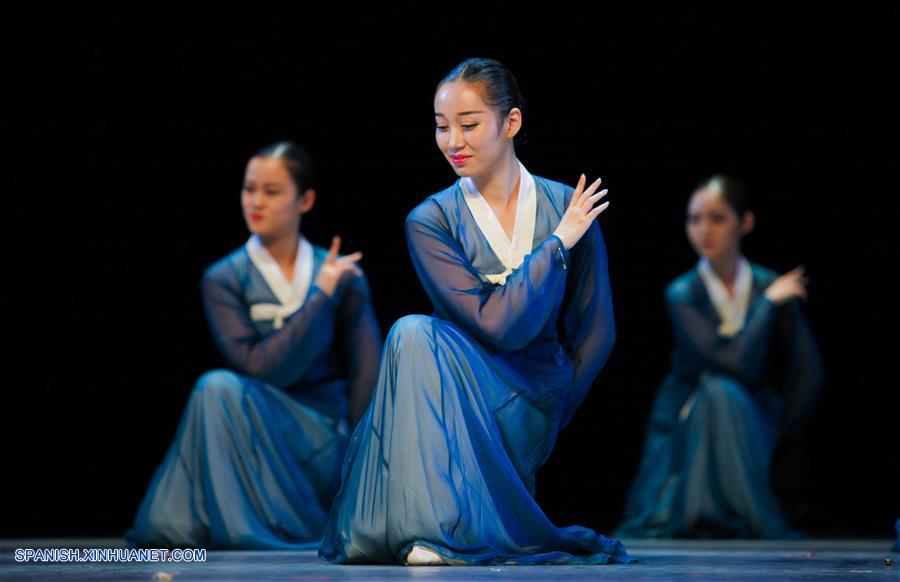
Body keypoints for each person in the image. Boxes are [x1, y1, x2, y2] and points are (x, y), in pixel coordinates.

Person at [319, 58, 633, 566]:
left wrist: (558, 407)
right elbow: (496, 325)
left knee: (418, 334)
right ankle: (430, 532)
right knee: (413, 332)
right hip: (459, 394)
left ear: (511, 123)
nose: (453, 142)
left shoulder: (566, 205)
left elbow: (597, 330)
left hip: (535, 400)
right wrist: (555, 244)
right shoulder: (431, 218)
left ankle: (446, 527)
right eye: (443, 127)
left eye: (469, 125)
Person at [127, 141, 382, 549]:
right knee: (217, 389)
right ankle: (245, 528)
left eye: (272, 191)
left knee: (220, 392)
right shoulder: (225, 278)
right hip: (254, 427)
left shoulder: (342, 274)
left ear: (306, 200)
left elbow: (365, 370)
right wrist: (319, 298)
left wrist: (361, 461)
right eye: (249, 189)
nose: (256, 202)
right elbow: (262, 368)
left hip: (321, 433)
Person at [617, 175, 824, 539]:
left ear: (745, 222)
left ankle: (745, 505)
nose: (703, 230)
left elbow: (809, 370)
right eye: (694, 219)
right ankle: (713, 510)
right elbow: (732, 362)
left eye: (717, 218)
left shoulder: (766, 281)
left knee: (730, 397)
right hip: (689, 413)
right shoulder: (683, 292)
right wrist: (767, 306)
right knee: (720, 392)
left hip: (755, 413)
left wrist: (784, 430)